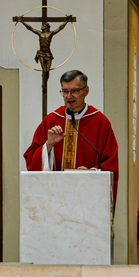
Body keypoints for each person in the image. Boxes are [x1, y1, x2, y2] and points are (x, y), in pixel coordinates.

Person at [23, 69, 118, 205]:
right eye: (65, 91)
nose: (69, 96)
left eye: (74, 91)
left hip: (88, 200)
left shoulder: (100, 122)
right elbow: (31, 160)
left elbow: (111, 164)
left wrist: (91, 172)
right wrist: (48, 145)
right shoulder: (51, 120)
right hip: (55, 199)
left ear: (86, 91)